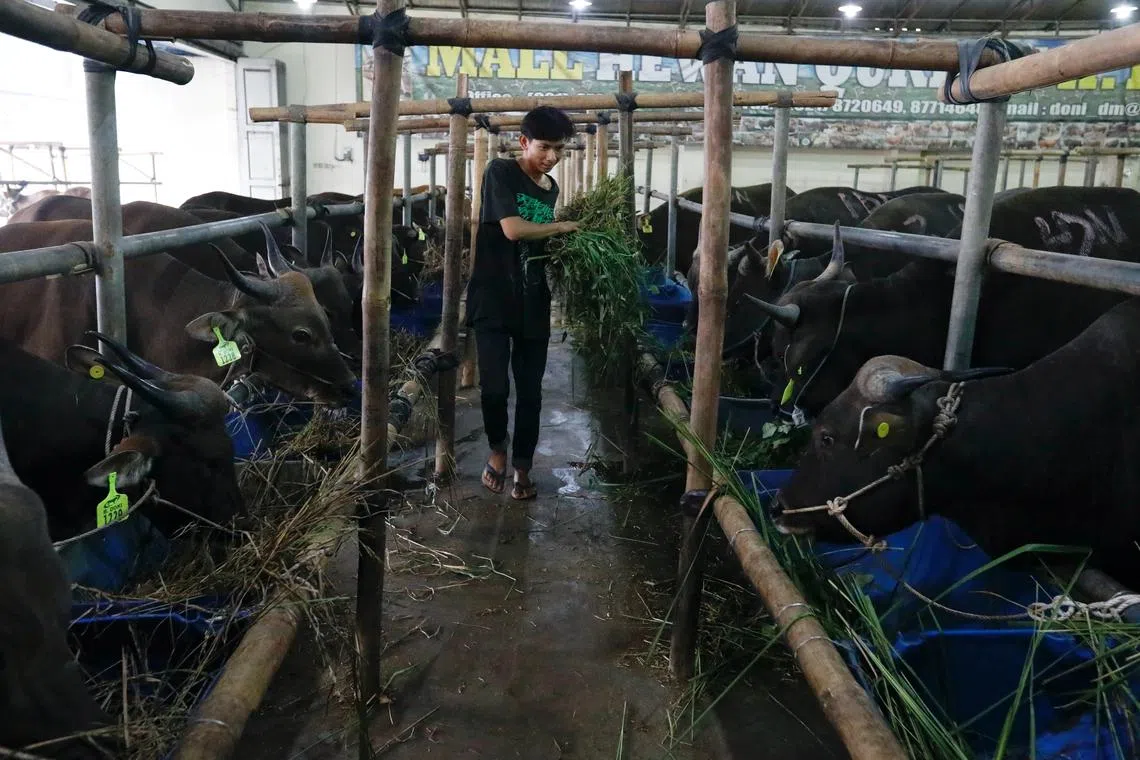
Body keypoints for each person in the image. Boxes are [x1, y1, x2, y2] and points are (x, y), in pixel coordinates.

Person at [465, 106, 579, 500]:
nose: (552, 157)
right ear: (524, 142)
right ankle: (498, 450)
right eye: (545, 147)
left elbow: (541, 241)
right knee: (495, 388)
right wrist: (562, 226)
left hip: (533, 300)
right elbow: (513, 230)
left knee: (531, 391)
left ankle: (523, 467)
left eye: (559, 150)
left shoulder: (551, 188)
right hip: (493, 296)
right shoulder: (500, 172)